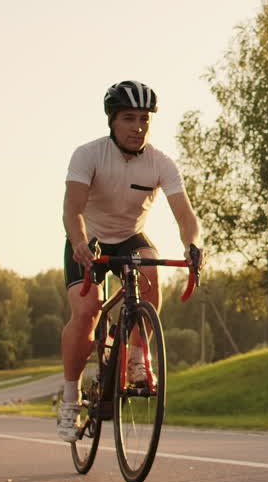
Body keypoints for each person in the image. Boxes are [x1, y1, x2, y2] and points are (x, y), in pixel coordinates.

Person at [57, 79, 203, 442]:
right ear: (112, 121)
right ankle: (70, 396)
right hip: (88, 239)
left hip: (130, 238)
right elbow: (72, 209)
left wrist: (193, 244)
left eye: (144, 119)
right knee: (87, 310)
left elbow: (186, 216)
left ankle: (138, 354)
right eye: (128, 118)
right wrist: (79, 243)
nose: (138, 127)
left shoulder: (160, 163)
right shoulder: (88, 155)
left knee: (152, 271)